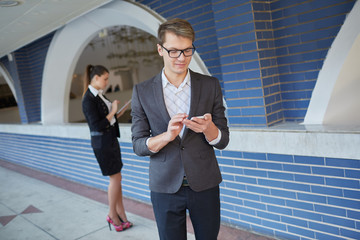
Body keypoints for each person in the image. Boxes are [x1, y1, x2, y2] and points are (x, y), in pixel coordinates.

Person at [131, 18, 229, 240]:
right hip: (164, 187)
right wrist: (166, 136)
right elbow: (138, 145)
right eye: (174, 51)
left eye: (187, 50)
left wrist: (209, 128)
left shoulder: (210, 85)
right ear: (160, 49)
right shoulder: (142, 92)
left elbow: (223, 140)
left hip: (205, 183)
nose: (182, 58)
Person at [82, 65, 133, 232]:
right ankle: (112, 214)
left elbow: (108, 120)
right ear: (95, 77)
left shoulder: (99, 96)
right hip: (102, 144)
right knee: (115, 179)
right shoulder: (88, 99)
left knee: (117, 179)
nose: (107, 82)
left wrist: (117, 112)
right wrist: (113, 112)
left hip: (110, 141)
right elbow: (96, 125)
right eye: (105, 78)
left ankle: (122, 216)